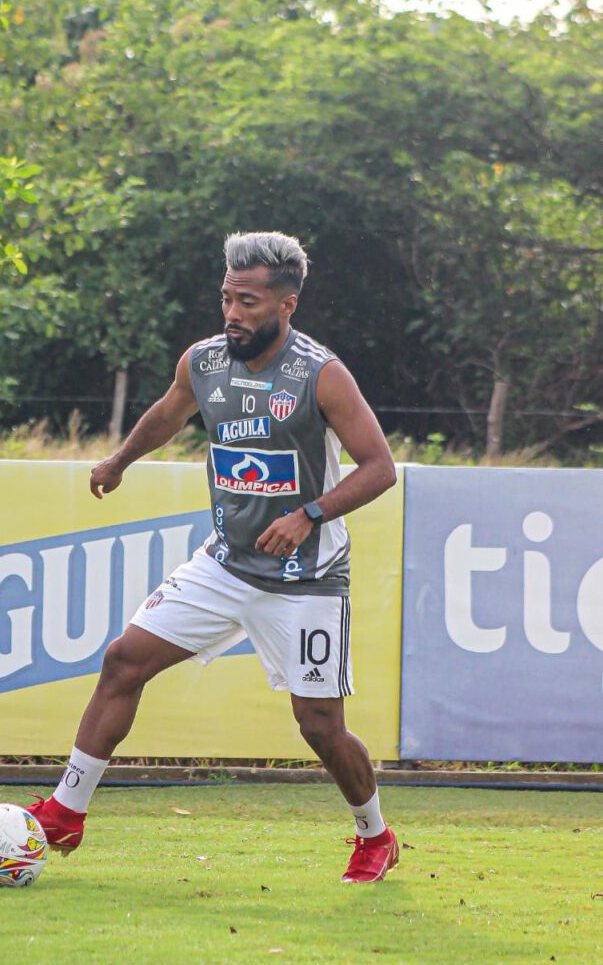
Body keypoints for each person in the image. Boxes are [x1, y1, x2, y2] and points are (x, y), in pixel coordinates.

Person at [28, 231, 399, 882]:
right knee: (123, 661)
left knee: (318, 726)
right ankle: (65, 811)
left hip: (305, 578)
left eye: (247, 302)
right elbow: (170, 413)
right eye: (227, 298)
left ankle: (375, 835)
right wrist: (119, 460)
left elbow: (379, 468)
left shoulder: (321, 375)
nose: (232, 313)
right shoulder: (203, 361)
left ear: (286, 305)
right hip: (223, 565)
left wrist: (307, 515)